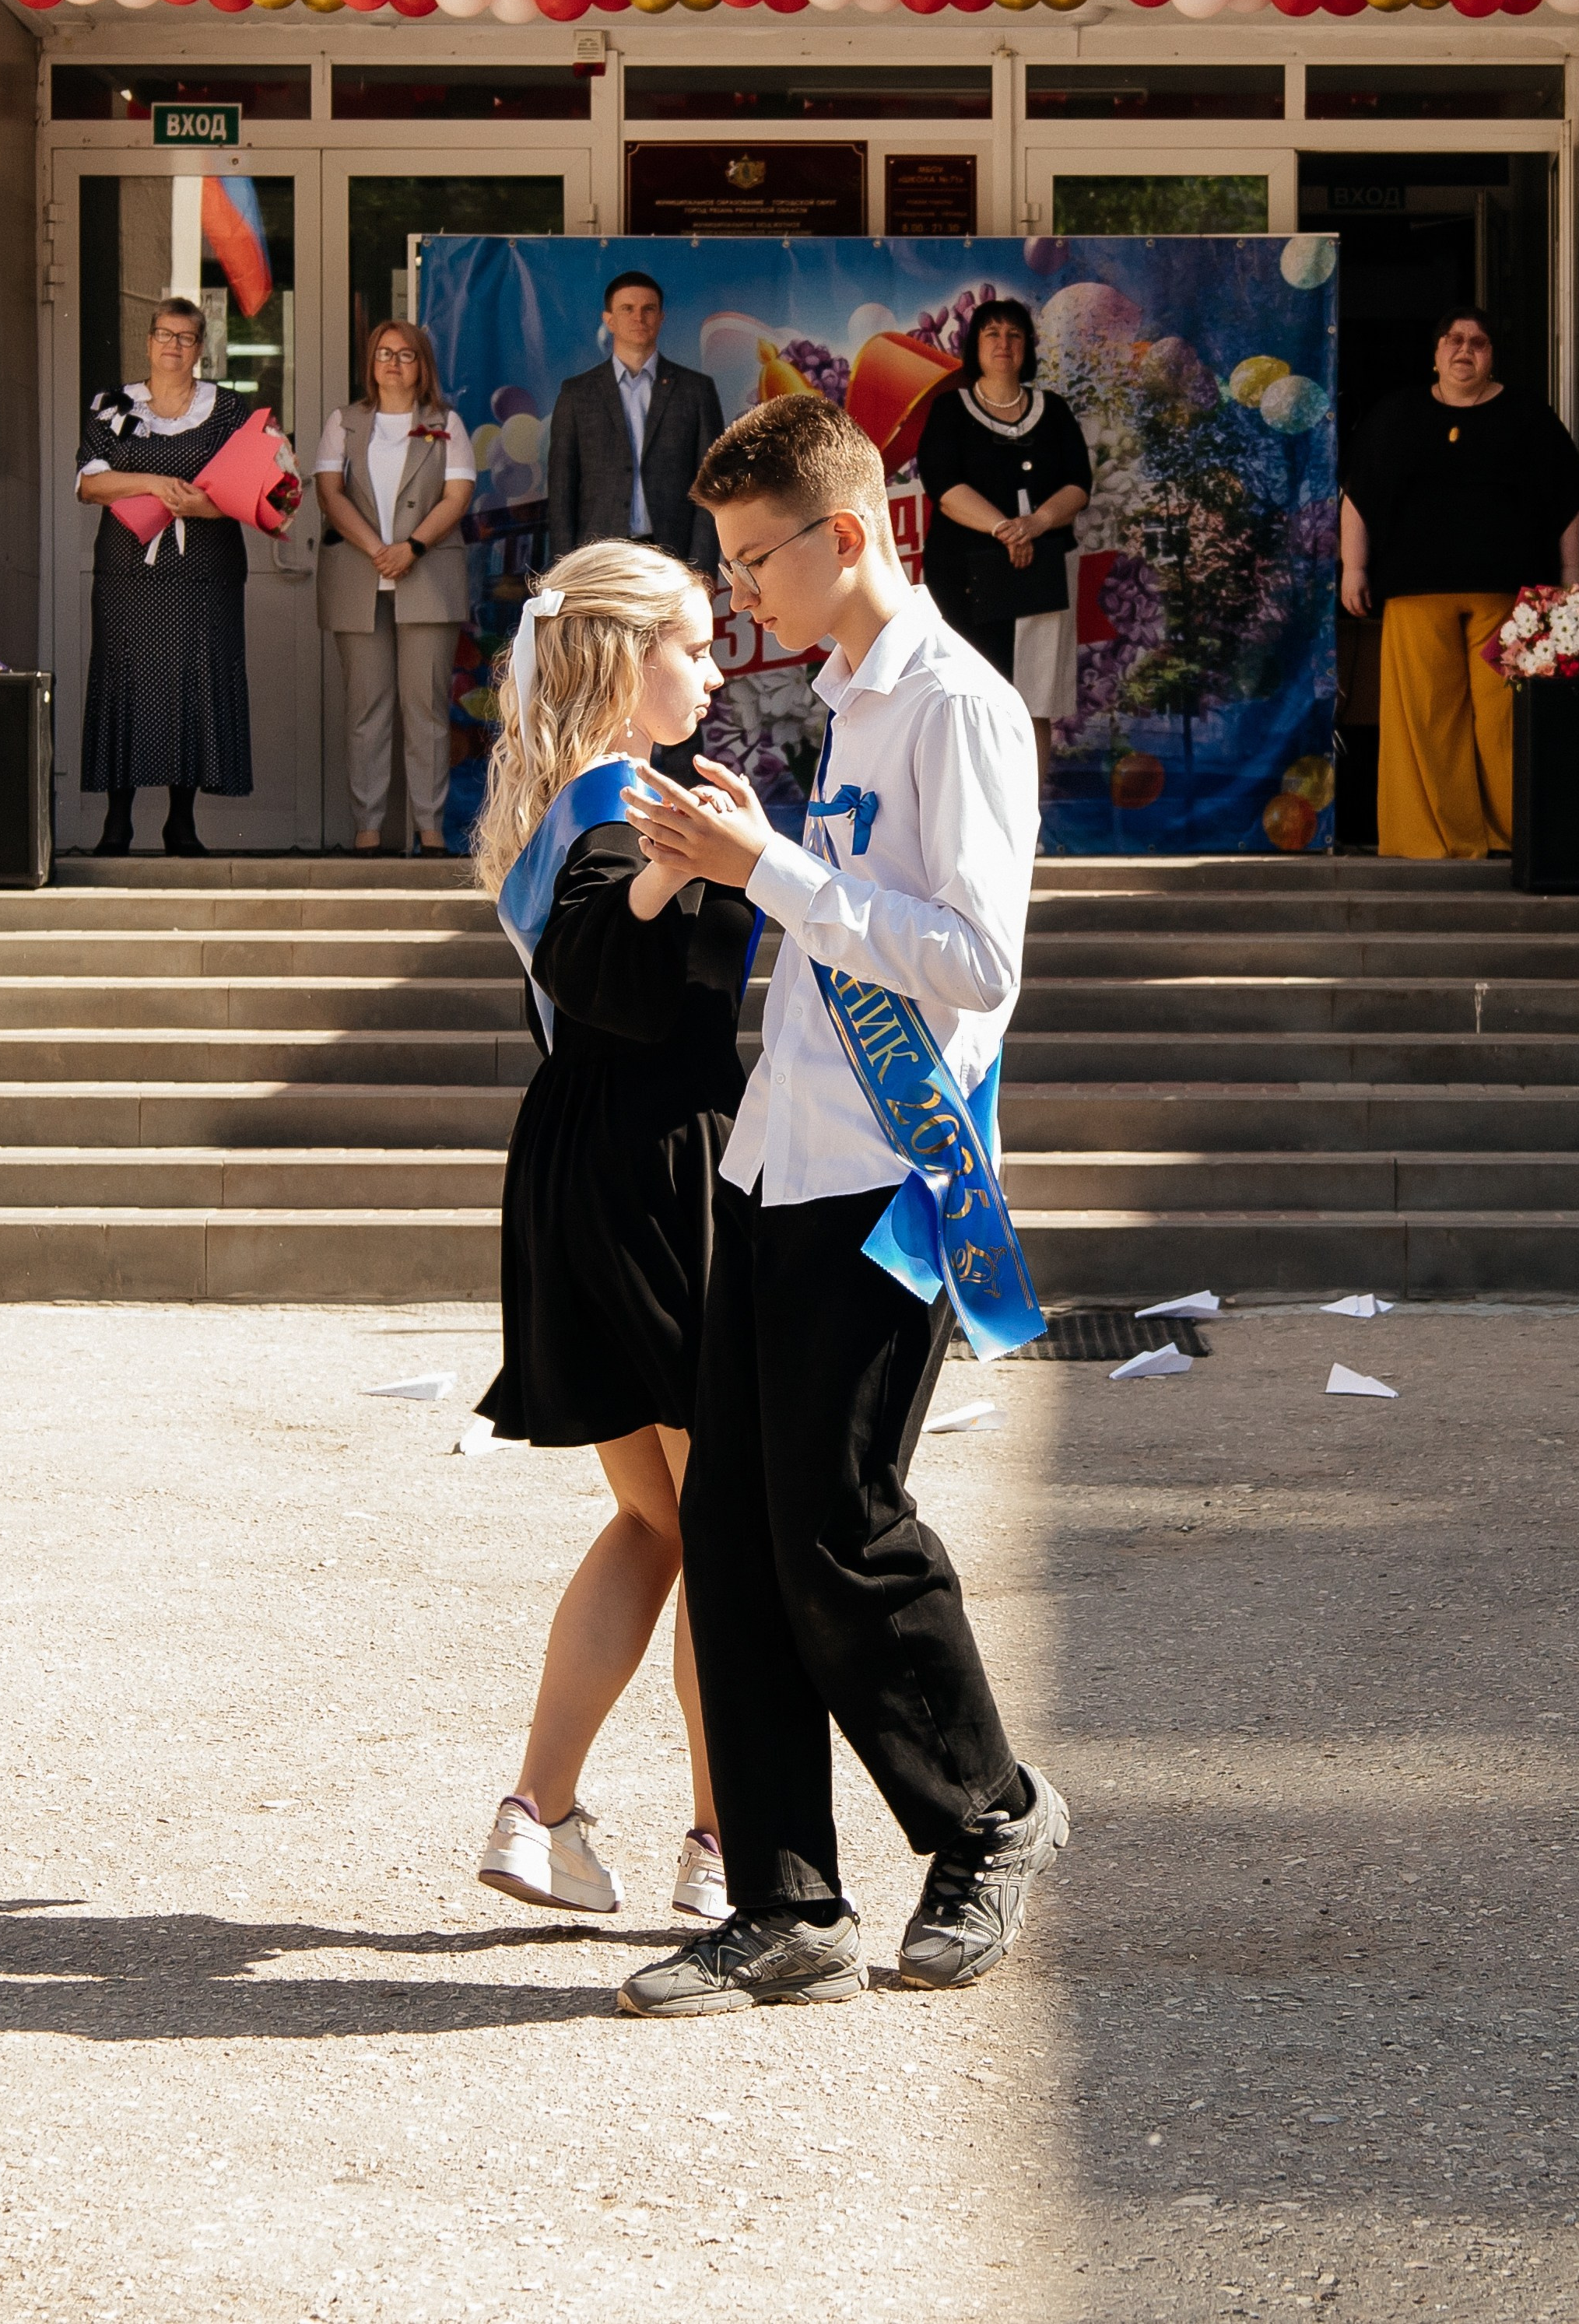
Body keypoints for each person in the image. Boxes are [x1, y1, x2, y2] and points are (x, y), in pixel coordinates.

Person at [616, 393, 1068, 2018]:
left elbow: (975, 959)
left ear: (850, 531)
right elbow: (844, 924)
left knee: (840, 1522)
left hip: (888, 1175)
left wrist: (775, 875)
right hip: (780, 1152)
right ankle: (784, 1901)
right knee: (733, 1533)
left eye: (756, 560)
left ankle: (990, 1814)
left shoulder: (954, 707)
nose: (741, 595)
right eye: (729, 562)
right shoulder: (838, 701)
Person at [468, 538, 749, 1929]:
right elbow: (625, 982)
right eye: (692, 645)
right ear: (619, 653)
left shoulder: (557, 797)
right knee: (718, 1523)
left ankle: (539, 1811)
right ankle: (724, 1841)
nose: (712, 667)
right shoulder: (632, 806)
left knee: (652, 1516)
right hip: (658, 1162)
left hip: (573, 1157)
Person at [1341, 306, 1579, 861]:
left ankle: (1509, 835)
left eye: (1477, 342)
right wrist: (1353, 568)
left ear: (1490, 354)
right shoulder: (1396, 414)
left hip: (1505, 592)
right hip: (1414, 590)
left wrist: (1570, 571)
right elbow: (1357, 494)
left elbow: (1564, 497)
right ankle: (1439, 841)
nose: (1464, 350)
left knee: (1502, 716)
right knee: (1427, 716)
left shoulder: (1526, 413)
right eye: (1452, 341)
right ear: (1434, 354)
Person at [75, 295, 252, 857]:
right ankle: (117, 823)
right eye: (164, 335)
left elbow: (257, 488)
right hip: (130, 571)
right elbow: (89, 485)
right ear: (148, 341)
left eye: (185, 337)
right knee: (126, 682)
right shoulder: (113, 404)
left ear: (201, 348)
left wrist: (207, 507)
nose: (173, 346)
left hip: (204, 570)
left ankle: (182, 823)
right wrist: (153, 483)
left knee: (192, 686)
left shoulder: (229, 409)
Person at [314, 321, 475, 856]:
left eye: (405, 354)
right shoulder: (345, 421)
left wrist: (412, 548)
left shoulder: (445, 421)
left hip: (426, 578)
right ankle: (368, 829)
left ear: (421, 364)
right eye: (383, 353)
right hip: (358, 581)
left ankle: (429, 829)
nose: (393, 362)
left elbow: (456, 497)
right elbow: (330, 495)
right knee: (366, 709)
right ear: (371, 363)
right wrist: (376, 550)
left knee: (425, 709)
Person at [918, 299, 1092, 788]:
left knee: (1033, 702)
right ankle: (972, 816)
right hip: (966, 578)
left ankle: (1027, 819)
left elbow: (1079, 483)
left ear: (1027, 348)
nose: (1003, 344)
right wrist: (1004, 528)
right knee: (971, 701)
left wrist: (1035, 524)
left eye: (1014, 335)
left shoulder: (1053, 411)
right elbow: (945, 489)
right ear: (975, 346)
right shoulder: (950, 410)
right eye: (992, 334)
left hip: (1043, 572)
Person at [546, 272, 724, 572]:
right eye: (627, 309)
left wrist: (702, 570)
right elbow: (562, 491)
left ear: (661, 317)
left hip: (673, 558)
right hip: (598, 558)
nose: (638, 317)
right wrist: (564, 571)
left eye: (648, 309)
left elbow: (712, 486)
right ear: (609, 320)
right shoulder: (577, 393)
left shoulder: (696, 390)